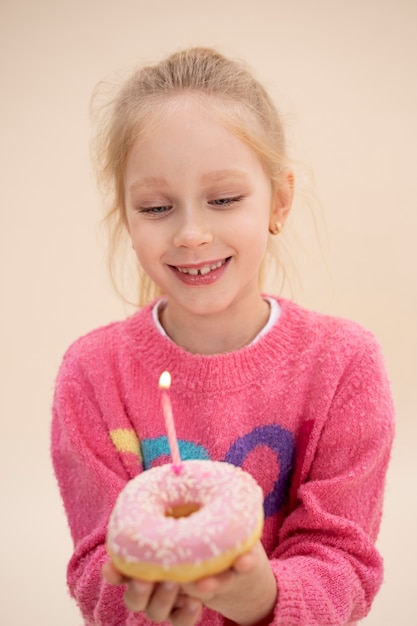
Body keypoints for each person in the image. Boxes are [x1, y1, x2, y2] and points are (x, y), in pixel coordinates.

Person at [51, 47, 395, 626]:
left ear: (278, 201)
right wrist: (154, 603)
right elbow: (94, 565)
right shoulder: (93, 373)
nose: (191, 233)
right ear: (128, 217)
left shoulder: (344, 367)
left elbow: (347, 563)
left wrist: (261, 597)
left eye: (225, 199)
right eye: (157, 206)